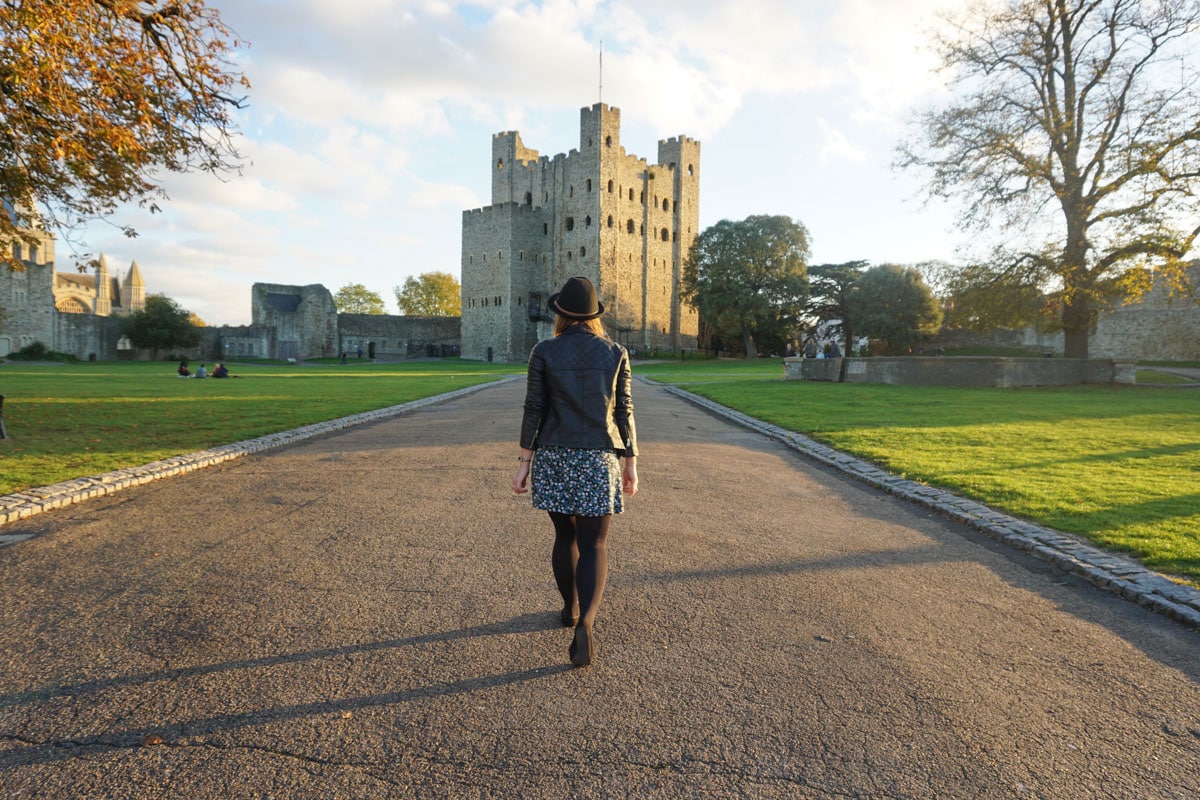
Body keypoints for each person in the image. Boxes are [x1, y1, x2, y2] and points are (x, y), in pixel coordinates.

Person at [513, 276, 638, 668]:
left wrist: (523, 463)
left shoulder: (544, 350)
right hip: (599, 458)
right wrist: (631, 461)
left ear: (561, 314)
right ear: (594, 315)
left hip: (554, 455)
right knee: (595, 544)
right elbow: (624, 411)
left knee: (564, 534)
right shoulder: (616, 352)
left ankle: (569, 608)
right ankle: (587, 620)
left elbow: (533, 408)